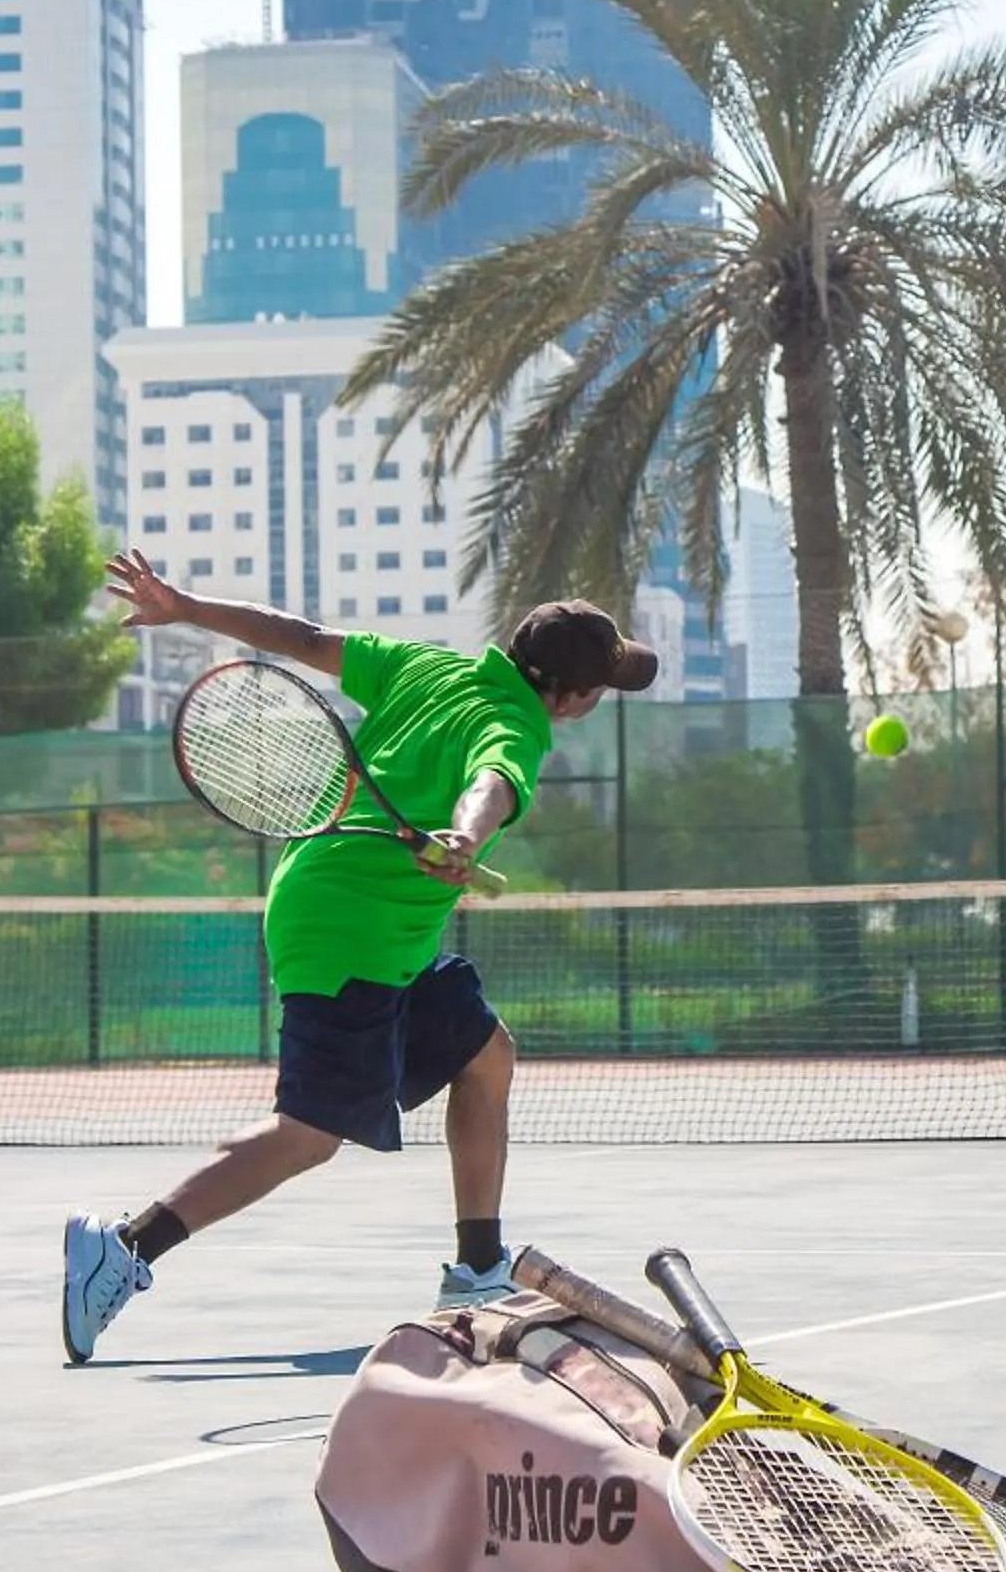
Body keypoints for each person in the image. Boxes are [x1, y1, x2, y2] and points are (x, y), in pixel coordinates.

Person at [59, 552, 656, 1364]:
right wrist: (468, 835)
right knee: (308, 1134)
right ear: (574, 697)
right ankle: (125, 1248)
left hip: (364, 923)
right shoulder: (517, 725)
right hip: (351, 936)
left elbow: (298, 636)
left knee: (487, 1055)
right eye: (603, 683)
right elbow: (493, 781)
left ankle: (479, 1265)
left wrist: (186, 605)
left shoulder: (427, 666)